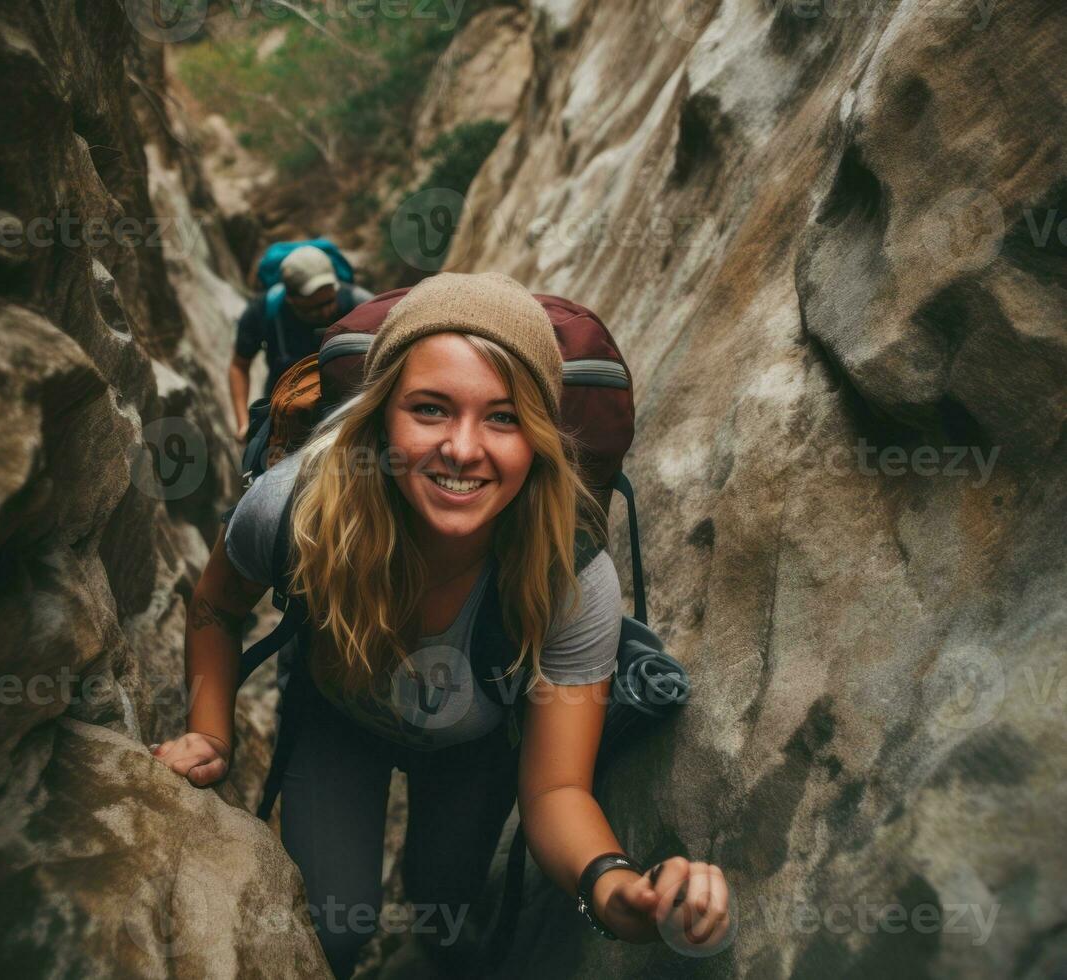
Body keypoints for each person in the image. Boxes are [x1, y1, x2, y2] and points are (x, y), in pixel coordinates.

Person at [161, 272, 732, 977]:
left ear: (539, 440)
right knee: (332, 931)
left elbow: (555, 790)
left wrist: (616, 891)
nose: (462, 449)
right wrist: (211, 731)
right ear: (377, 419)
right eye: (429, 409)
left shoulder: (570, 579)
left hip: (475, 751)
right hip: (334, 722)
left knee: (444, 910)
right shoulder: (291, 509)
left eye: (503, 417)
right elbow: (217, 606)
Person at [228, 244, 375, 443]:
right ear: (291, 297)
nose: (325, 312)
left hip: (347, 411)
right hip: (285, 416)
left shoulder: (359, 304)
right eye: (314, 308)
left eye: (330, 302)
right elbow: (239, 366)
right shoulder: (263, 313)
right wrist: (243, 423)